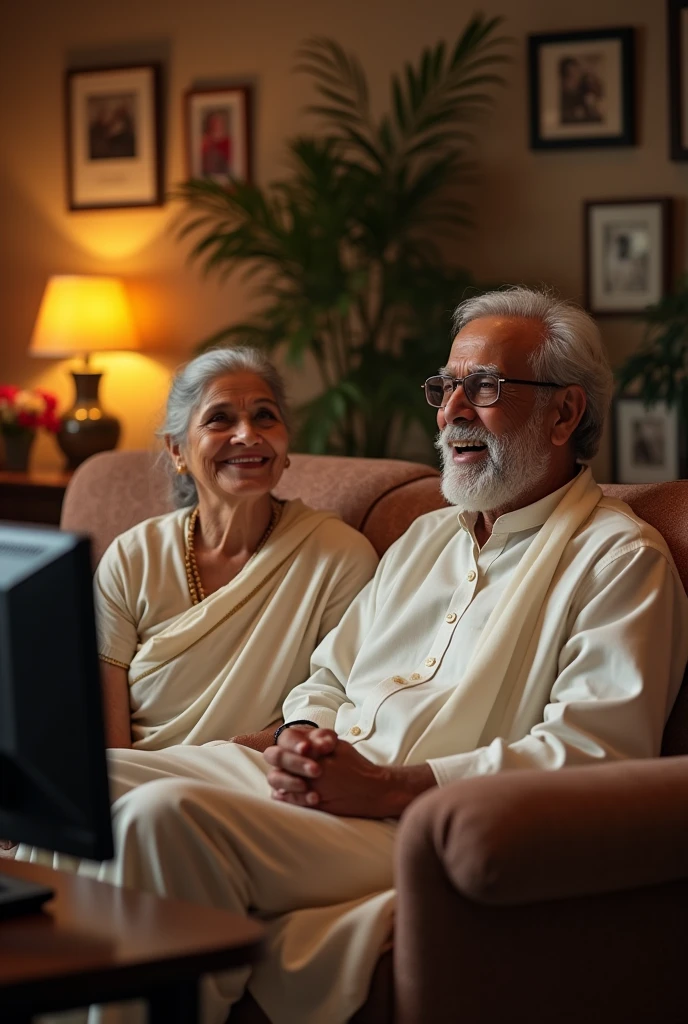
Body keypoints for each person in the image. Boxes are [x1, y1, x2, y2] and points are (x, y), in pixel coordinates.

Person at [18, 289, 688, 1024]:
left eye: (485, 388)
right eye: (447, 387)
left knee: (163, 818)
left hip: (409, 818)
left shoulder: (620, 560)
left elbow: (598, 753)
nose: (453, 411)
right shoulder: (425, 538)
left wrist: (392, 787)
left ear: (564, 414)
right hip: (320, 782)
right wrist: (301, 737)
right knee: (74, 786)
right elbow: (329, 676)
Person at [94, 345, 378, 751]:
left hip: (255, 773)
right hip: (132, 776)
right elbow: (105, 729)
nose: (248, 435)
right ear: (177, 449)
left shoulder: (338, 556)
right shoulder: (132, 557)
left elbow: (336, 704)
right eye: (219, 419)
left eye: (265, 416)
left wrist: (226, 761)